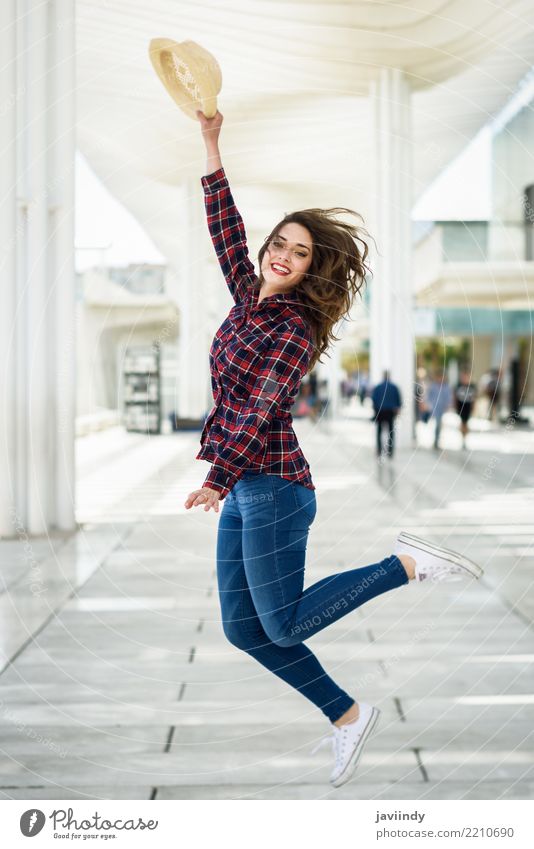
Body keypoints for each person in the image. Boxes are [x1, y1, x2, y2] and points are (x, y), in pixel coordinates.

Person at [184, 110, 484, 789]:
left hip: (274, 489)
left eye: (301, 252)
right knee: (242, 628)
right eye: (279, 244)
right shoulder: (248, 299)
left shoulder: (290, 327)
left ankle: (406, 564)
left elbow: (259, 407)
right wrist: (210, 140)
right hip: (247, 490)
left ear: (314, 269)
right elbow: (223, 225)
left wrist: (216, 474)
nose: (283, 255)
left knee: (284, 625)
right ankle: (347, 714)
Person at [371, 370, 402, 459]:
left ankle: (379, 450)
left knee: (379, 431)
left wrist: (375, 410)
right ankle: (390, 451)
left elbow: (374, 399)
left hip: (380, 411)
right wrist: (397, 409)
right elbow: (398, 400)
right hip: (390, 412)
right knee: (391, 432)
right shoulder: (394, 387)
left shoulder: (378, 387)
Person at [426, 371, 453, 449]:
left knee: (438, 424)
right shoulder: (433, 386)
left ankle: (437, 440)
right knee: (436, 424)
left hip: (442, 408)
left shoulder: (446, 386)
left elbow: (449, 397)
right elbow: (429, 396)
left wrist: (448, 405)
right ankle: (436, 440)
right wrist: (428, 404)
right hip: (433, 407)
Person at [455, 370, 477, 449]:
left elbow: (474, 398)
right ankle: (462, 437)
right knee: (462, 422)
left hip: (468, 406)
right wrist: (455, 406)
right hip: (461, 406)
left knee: (466, 423)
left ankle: (464, 437)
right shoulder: (458, 385)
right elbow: (455, 397)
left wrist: (474, 407)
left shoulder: (472, 386)